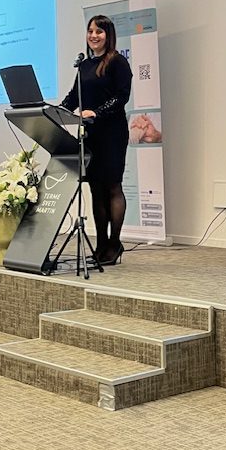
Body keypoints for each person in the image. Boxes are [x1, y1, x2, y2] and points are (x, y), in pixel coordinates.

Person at [61, 15, 132, 265]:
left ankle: (114, 244)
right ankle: (101, 245)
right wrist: (57, 112)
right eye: (90, 31)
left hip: (112, 132)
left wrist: (97, 112)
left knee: (112, 186)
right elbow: (74, 96)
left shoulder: (117, 61)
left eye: (99, 31)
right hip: (90, 133)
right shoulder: (84, 65)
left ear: (108, 35)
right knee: (95, 189)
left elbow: (122, 96)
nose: (93, 35)